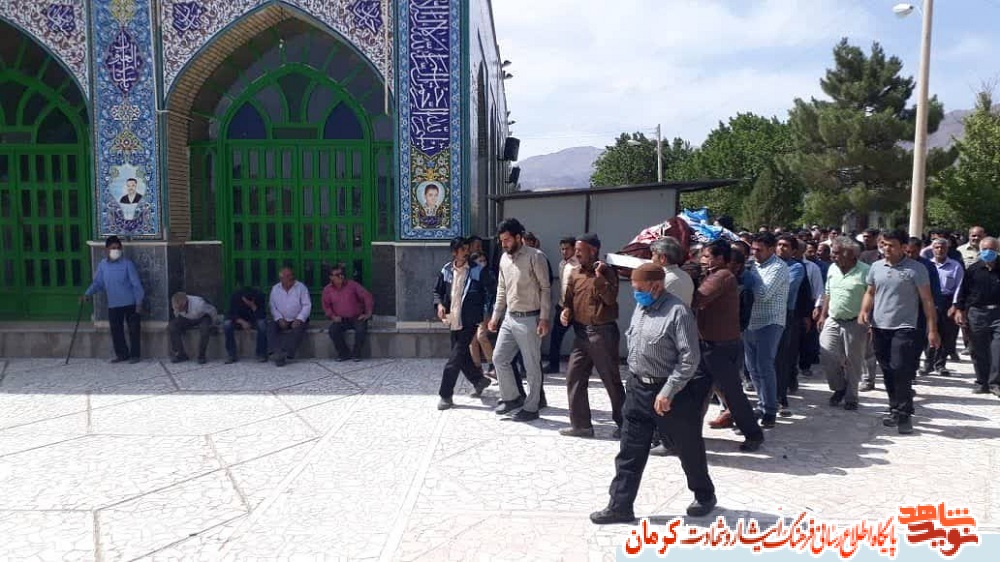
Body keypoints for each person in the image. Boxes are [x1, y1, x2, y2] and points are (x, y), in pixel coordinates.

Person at [589, 264, 716, 525]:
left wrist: (668, 391)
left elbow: (689, 359)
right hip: (639, 390)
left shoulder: (678, 313)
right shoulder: (641, 308)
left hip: (672, 394)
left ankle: (704, 495)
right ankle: (620, 506)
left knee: (687, 447)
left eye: (639, 289)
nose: (635, 293)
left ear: (656, 286)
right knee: (629, 450)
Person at [859, 230, 940, 434]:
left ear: (903, 247)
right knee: (887, 369)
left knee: (900, 368)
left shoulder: (917, 269)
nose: (886, 248)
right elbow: (870, 292)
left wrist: (932, 329)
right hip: (879, 326)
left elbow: (927, 300)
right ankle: (894, 407)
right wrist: (864, 311)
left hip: (905, 327)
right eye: (884, 244)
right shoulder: (876, 267)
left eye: (891, 245)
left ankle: (905, 414)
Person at [695, 241, 764, 451]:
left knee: (733, 395)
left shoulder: (722, 277)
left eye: (706, 256)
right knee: (696, 393)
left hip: (720, 347)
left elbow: (698, 299)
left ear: (719, 259)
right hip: (709, 344)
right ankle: (686, 436)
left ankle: (753, 434)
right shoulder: (714, 275)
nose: (702, 259)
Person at [558, 233, 624, 438]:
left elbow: (610, 299)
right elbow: (568, 301)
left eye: (580, 250)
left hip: (602, 334)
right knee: (574, 377)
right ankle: (581, 425)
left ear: (593, 251)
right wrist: (566, 311)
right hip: (581, 334)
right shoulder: (574, 273)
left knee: (611, 381)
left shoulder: (607, 272)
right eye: (576, 250)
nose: (576, 254)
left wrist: (599, 277)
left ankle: (626, 425)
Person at [489, 218, 552, 422]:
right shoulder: (504, 259)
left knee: (531, 366)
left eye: (507, 240)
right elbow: (501, 289)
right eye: (501, 241)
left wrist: (544, 318)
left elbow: (545, 288)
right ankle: (511, 398)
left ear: (518, 237)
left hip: (530, 319)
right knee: (499, 358)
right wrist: (495, 317)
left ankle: (532, 407)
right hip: (509, 318)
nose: (504, 244)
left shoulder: (536, 257)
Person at [434, 237, 494, 410]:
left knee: (453, 360)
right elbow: (437, 292)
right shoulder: (446, 270)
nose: (466, 252)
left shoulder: (477, 270)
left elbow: (493, 289)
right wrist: (439, 305)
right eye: (462, 250)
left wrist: (488, 311)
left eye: (467, 249)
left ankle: (445, 395)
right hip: (453, 320)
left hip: (470, 321)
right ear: (454, 252)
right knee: (462, 356)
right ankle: (479, 380)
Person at [816, 237, 871, 411]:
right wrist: (823, 315)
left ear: (851, 254)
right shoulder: (832, 268)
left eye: (837, 252)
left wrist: (869, 320)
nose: (833, 255)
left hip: (855, 322)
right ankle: (839, 387)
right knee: (827, 353)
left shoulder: (866, 271)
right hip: (833, 319)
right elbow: (828, 292)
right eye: (833, 252)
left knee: (854, 361)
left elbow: (872, 297)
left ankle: (851, 397)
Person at [744, 232, 790, 429]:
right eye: (753, 249)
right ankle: (762, 404)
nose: (755, 253)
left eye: (759, 250)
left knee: (764, 366)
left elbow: (763, 294)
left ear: (771, 249)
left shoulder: (778, 267)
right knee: (752, 368)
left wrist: (747, 275)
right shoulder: (753, 265)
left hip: (770, 322)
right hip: (750, 321)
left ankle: (770, 410)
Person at [81, 236, 145, 364]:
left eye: (118, 248)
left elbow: (136, 285)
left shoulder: (127, 264)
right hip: (114, 304)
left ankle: (135, 355)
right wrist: (87, 294)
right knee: (116, 331)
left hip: (130, 303)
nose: (116, 250)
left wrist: (139, 302)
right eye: (113, 248)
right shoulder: (103, 265)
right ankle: (122, 354)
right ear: (106, 250)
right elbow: (98, 283)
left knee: (134, 330)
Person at [954, 236, 1000, 397]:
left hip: (998, 314)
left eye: (992, 249)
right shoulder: (973, 270)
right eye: (985, 249)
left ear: (997, 250)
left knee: (997, 350)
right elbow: (963, 291)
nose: (988, 252)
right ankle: (982, 382)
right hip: (977, 313)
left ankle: (995, 383)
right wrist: (959, 310)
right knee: (978, 349)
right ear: (980, 250)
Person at [774, 235, 806, 417]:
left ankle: (780, 397)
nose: (781, 248)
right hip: (764, 313)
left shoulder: (796, 267)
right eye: (779, 245)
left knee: (781, 357)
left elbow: (786, 289)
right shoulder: (768, 265)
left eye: (785, 246)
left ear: (794, 250)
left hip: (785, 314)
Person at [924, 238, 963, 376]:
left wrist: (955, 305)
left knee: (947, 334)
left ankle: (940, 364)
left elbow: (959, 287)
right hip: (930, 301)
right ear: (932, 249)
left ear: (947, 249)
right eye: (937, 247)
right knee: (929, 332)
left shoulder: (955, 266)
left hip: (947, 301)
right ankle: (928, 363)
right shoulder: (927, 265)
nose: (940, 250)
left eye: (942, 247)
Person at [322, 264, 374, 362]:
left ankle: (356, 354)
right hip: (340, 319)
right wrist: (332, 316)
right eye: (337, 275)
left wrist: (368, 313)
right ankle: (344, 354)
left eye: (342, 274)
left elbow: (367, 296)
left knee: (361, 330)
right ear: (331, 277)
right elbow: (326, 306)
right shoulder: (327, 290)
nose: (341, 276)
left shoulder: (352, 285)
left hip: (356, 317)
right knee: (333, 330)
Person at [546, 236, 579, 373]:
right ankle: (553, 365)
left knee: (583, 338)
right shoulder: (561, 264)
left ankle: (584, 367)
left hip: (577, 308)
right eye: (562, 249)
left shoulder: (578, 264)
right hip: (562, 305)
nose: (564, 252)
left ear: (574, 249)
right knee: (555, 337)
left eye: (567, 249)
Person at [267, 266, 312, 367]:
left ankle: (285, 353)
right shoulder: (275, 289)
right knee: (271, 327)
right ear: (281, 278)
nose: (291, 277)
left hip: (297, 318)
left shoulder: (301, 287)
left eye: (291, 275)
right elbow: (272, 306)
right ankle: (275, 352)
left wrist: (299, 319)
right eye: (287, 276)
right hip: (282, 319)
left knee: (298, 330)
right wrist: (279, 319)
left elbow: (307, 305)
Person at [168, 292, 218, 364]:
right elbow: (177, 314)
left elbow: (212, 311)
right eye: (176, 307)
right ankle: (181, 354)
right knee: (172, 326)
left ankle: (201, 355)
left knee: (204, 329)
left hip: (202, 317)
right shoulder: (176, 304)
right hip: (187, 317)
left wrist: (213, 324)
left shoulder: (200, 304)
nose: (177, 309)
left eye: (179, 308)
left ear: (185, 304)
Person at [468, 252, 496, 378]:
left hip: (485, 309)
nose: (483, 263)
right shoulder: (469, 274)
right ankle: (477, 367)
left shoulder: (488, 274)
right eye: (480, 261)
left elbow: (493, 293)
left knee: (481, 336)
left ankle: (493, 365)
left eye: (484, 260)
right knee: (472, 339)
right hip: (472, 310)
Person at [222, 286, 268, 363]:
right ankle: (231, 354)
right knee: (227, 324)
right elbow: (230, 314)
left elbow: (262, 315)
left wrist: (253, 306)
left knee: (262, 324)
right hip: (239, 320)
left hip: (254, 319)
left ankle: (261, 353)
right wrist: (241, 321)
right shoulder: (236, 297)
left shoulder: (259, 297)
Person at [650, 236, 694, 306]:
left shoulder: (664, 280)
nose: (651, 259)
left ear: (662, 258)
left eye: (653, 255)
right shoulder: (686, 276)